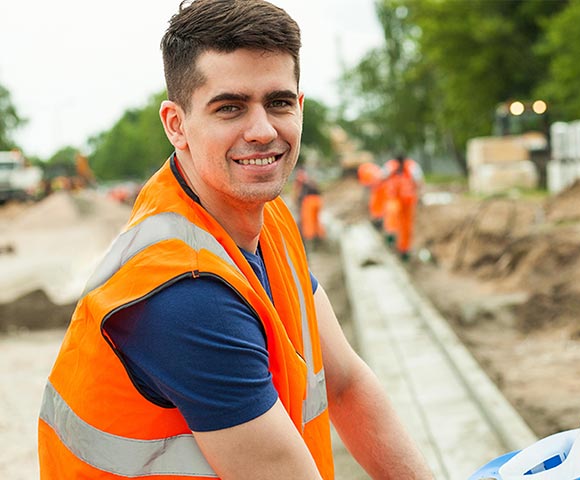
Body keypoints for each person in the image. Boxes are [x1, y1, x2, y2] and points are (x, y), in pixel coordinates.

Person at [37, 1, 434, 479]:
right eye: (230, 108)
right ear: (176, 125)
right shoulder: (184, 296)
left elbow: (346, 385)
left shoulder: (269, 221)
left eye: (279, 102)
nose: (263, 131)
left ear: (300, 107)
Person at [381, 154, 423, 262]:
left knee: (406, 226)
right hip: (394, 198)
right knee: (392, 213)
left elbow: (419, 182)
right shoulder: (390, 166)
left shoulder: (412, 167)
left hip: (407, 202)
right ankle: (391, 234)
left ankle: (404, 249)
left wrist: (420, 195)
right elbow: (381, 177)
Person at [294, 167, 326, 249]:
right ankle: (320, 239)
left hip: (309, 202)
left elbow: (298, 196)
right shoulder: (311, 182)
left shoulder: (301, 183)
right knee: (317, 221)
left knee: (308, 223)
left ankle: (310, 243)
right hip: (318, 201)